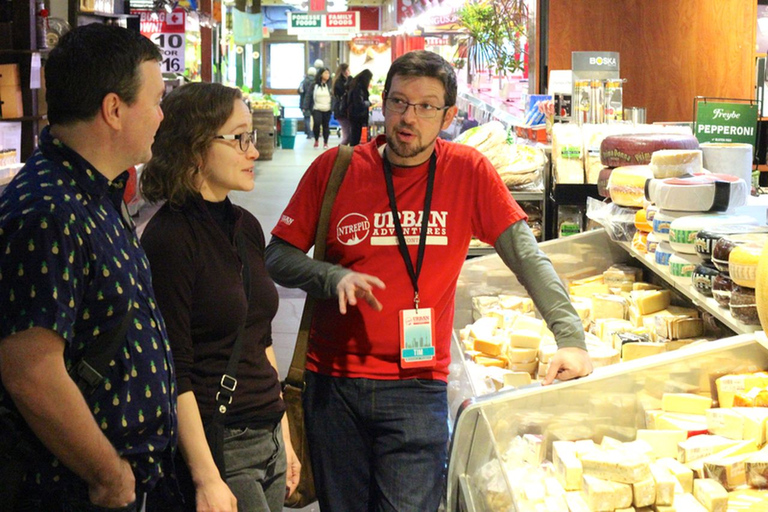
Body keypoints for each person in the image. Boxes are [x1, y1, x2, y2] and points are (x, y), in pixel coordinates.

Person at [265, 50, 592, 511]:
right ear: (382, 103)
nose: (407, 118)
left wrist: (571, 338)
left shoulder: (468, 172)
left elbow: (529, 258)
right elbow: (276, 255)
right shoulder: (336, 168)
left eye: (425, 107)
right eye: (398, 102)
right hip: (333, 383)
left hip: (417, 386)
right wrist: (328, 275)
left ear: (449, 115)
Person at [0, 23, 176, 511]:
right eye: (157, 100)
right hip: (78, 489)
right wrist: (109, 474)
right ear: (114, 109)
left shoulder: (93, 192)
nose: (162, 116)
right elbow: (30, 369)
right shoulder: (49, 211)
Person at [139, 82, 300, 512]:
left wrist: (285, 437)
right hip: (222, 446)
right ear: (195, 147)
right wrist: (206, 476)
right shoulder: (170, 240)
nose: (253, 150)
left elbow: (260, 337)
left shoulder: (244, 224)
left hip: (267, 437)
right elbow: (174, 370)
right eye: (239, 137)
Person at [303, 67, 332, 149]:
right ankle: (316, 140)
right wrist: (305, 106)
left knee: (326, 125)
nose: (327, 75)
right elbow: (308, 95)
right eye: (325, 73)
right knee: (317, 124)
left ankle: (325, 142)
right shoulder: (314, 85)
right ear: (321, 74)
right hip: (317, 108)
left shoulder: (330, 85)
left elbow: (334, 96)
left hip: (327, 108)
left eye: (328, 73)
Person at [346, 69, 373, 146]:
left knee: (354, 136)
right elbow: (359, 103)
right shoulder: (359, 88)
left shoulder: (354, 85)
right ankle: (352, 153)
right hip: (357, 115)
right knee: (355, 137)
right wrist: (369, 103)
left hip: (354, 114)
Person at [332, 63, 351, 145]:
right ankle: (339, 153)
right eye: (348, 70)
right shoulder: (340, 82)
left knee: (347, 135)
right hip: (341, 111)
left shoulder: (339, 81)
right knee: (347, 136)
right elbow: (344, 94)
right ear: (344, 71)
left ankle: (340, 152)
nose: (349, 72)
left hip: (341, 110)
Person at [298, 67, 316, 139]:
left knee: (307, 118)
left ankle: (308, 133)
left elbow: (300, 91)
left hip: (304, 102)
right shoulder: (316, 82)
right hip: (314, 102)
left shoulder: (304, 81)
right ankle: (314, 133)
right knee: (315, 119)